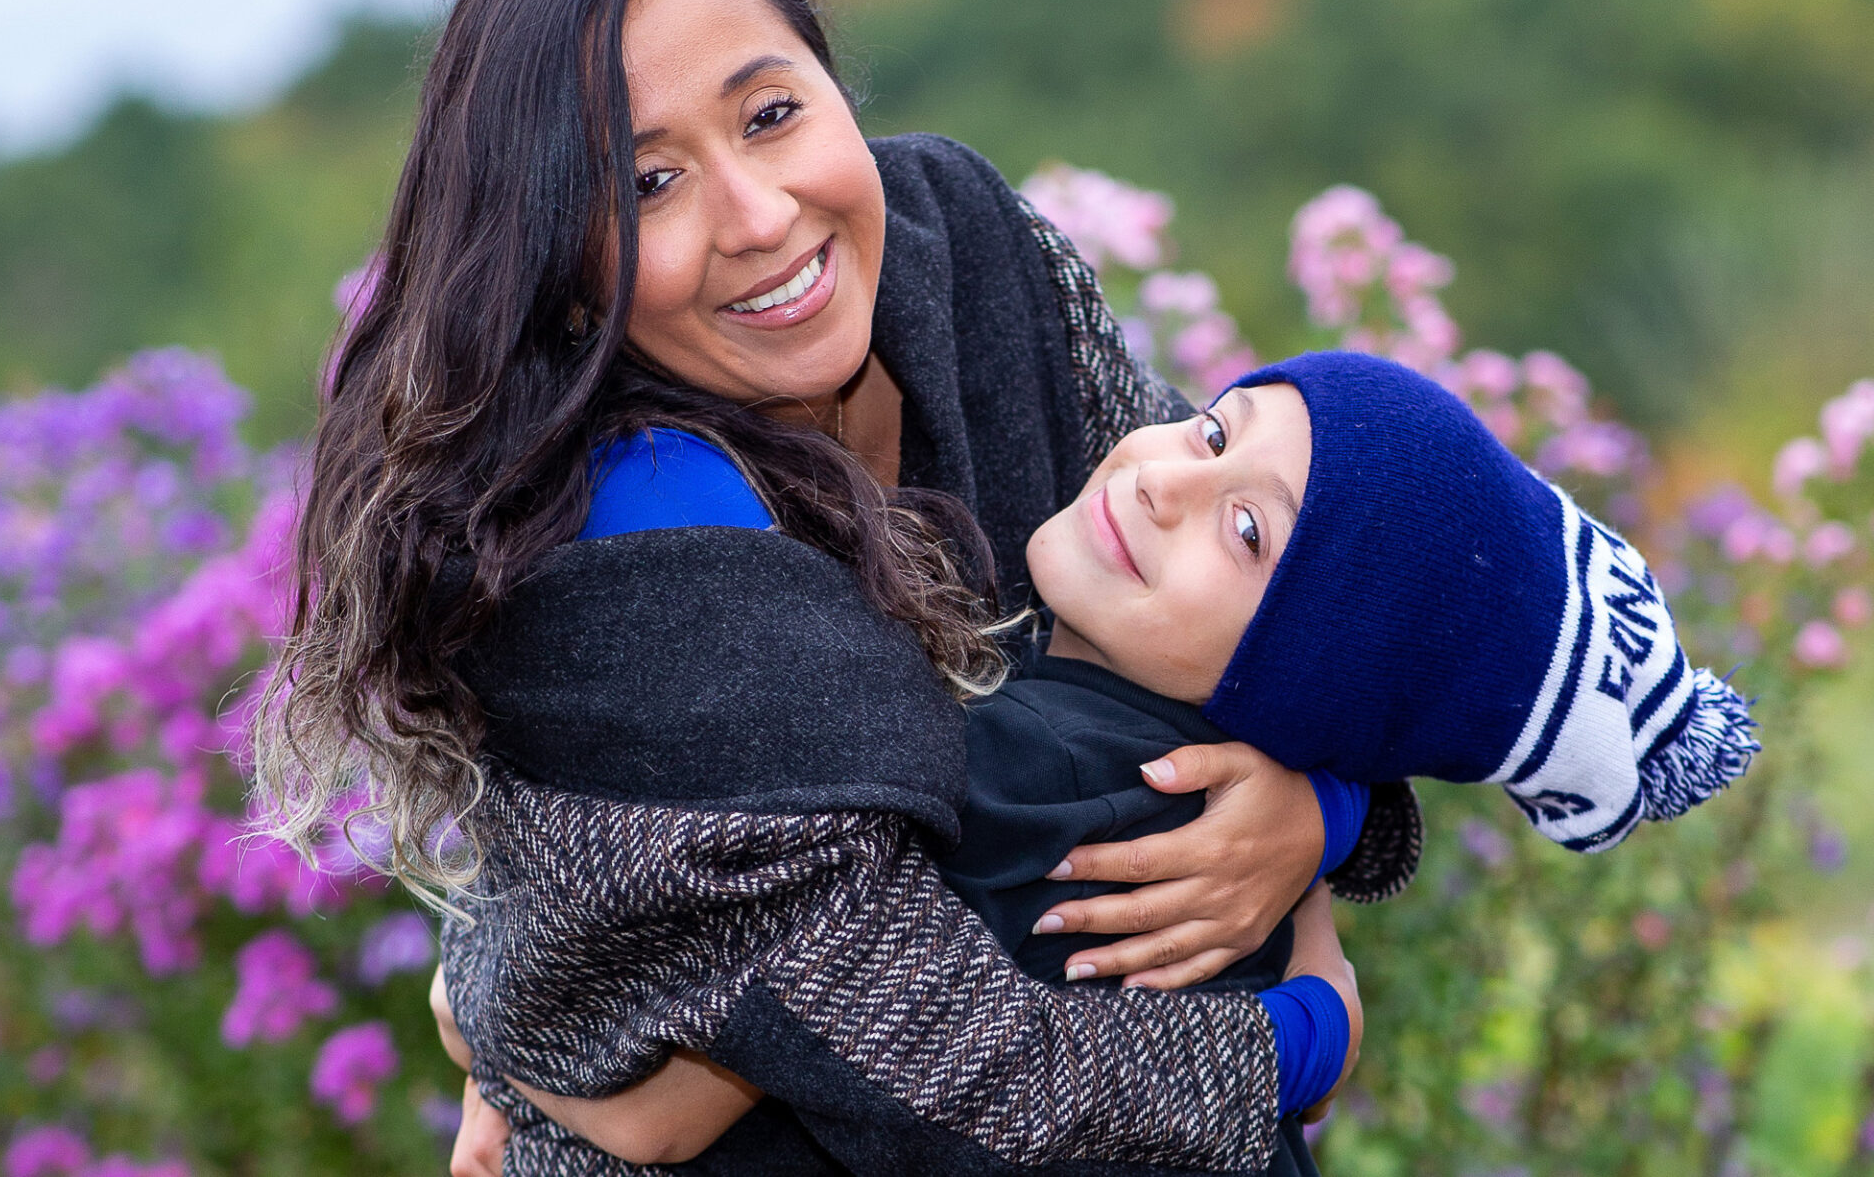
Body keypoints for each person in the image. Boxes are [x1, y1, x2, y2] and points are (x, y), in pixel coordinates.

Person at [251, 0, 1422, 1177]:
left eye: (769, 112)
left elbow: (1285, 600)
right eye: (646, 183)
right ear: (559, 257)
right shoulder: (635, 539)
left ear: (833, 82)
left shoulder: (971, 264)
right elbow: (954, 1072)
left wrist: (1321, 811)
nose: (758, 217)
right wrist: (1312, 1029)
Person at [499, 350, 1761, 1166]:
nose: (1166, 481)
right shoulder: (1144, 748)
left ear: (1307, 679)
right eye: (1215, 434)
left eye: (1250, 529)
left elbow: (664, 1066)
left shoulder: (1032, 781)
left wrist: (483, 988)